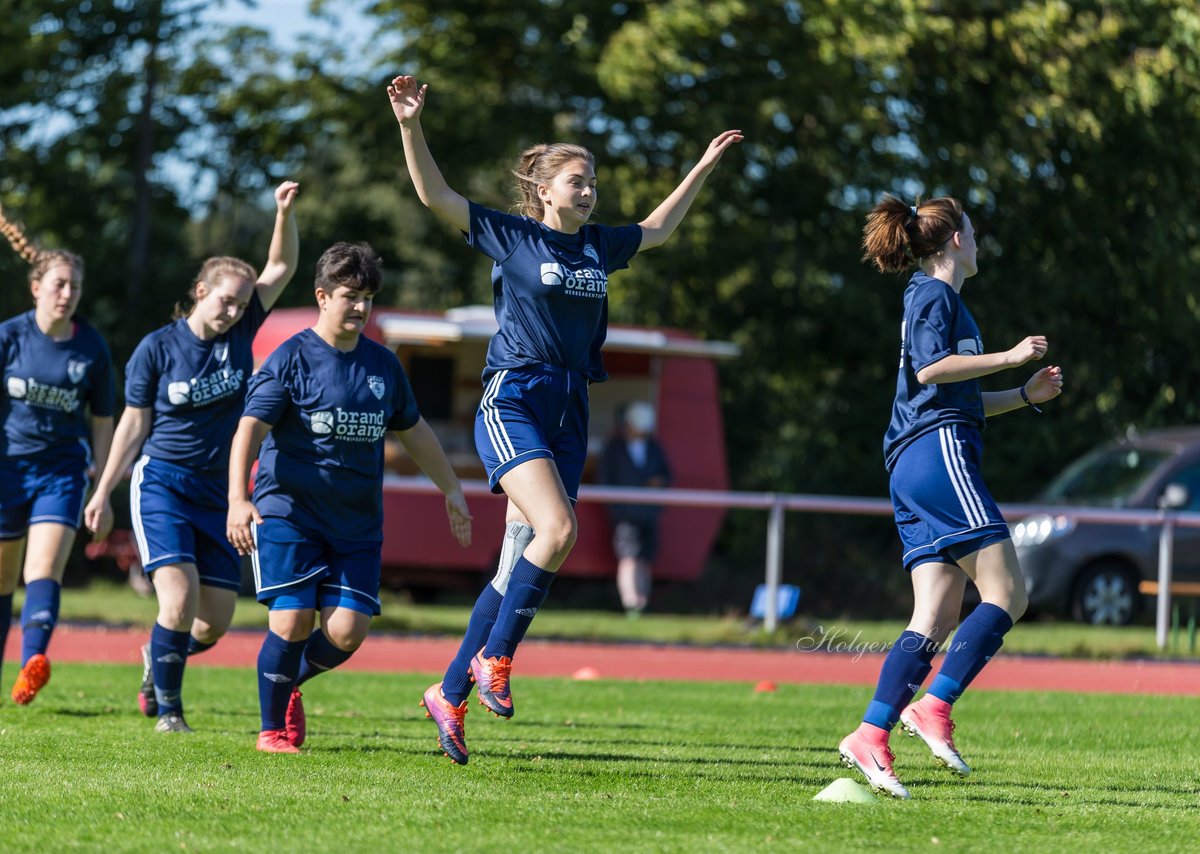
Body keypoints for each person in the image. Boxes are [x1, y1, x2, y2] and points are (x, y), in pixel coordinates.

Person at [386, 73, 742, 764]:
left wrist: (701, 165)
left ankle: (449, 691)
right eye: (577, 181)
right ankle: (497, 657)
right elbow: (435, 195)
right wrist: (409, 125)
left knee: (519, 561)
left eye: (594, 182)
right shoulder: (514, 238)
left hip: (570, 406)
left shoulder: (599, 247)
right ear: (545, 190)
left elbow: (660, 228)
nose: (588, 191)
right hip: (515, 396)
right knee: (558, 530)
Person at [837, 195, 1064, 798]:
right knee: (1009, 593)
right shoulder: (935, 295)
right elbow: (932, 372)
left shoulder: (932, 297)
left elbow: (953, 391)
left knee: (934, 615)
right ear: (957, 241)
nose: (980, 242)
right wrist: (1011, 355)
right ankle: (933, 706)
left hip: (914, 461)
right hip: (937, 455)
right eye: (975, 231)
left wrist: (1022, 393)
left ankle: (870, 733)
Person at [226, 241, 473, 754]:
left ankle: (285, 682)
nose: (360, 307)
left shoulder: (382, 365)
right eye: (349, 296)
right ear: (322, 296)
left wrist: (451, 487)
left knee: (345, 633)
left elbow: (415, 429)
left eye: (367, 298)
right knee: (291, 621)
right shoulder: (290, 358)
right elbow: (249, 429)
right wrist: (237, 498)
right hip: (288, 511)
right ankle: (271, 731)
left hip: (356, 523)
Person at [83, 182, 300, 734]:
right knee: (175, 603)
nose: (232, 310)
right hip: (163, 485)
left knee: (213, 623)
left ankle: (155, 659)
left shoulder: (243, 327)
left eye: (239, 302)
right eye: (224, 299)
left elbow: (282, 264)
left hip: (218, 492)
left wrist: (282, 211)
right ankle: (170, 712)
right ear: (200, 290)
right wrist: (104, 488)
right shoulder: (157, 349)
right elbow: (134, 424)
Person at [0, 202, 115, 709]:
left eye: (74, 286)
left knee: (42, 571)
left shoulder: (91, 347)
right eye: (59, 284)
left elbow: (103, 421)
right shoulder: (6, 337)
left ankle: (32, 666)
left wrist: (102, 486)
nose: (68, 294)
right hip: (5, 469)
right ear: (36, 288)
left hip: (62, 472)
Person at [599, 401, 671, 616]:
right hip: (625, 514)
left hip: (649, 512)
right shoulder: (614, 449)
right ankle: (631, 603)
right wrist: (617, 509)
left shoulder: (654, 448)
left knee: (645, 559)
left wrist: (659, 482)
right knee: (629, 556)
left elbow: (666, 474)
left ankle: (642, 602)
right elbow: (606, 480)